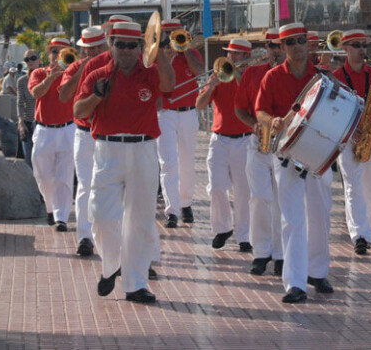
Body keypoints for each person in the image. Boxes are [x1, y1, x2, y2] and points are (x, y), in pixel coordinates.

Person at [75, 21, 175, 304]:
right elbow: (78, 110)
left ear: (141, 47)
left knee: (141, 220)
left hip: (143, 149)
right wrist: (96, 95)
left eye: (133, 45)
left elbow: (169, 85)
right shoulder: (97, 74)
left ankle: (136, 284)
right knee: (101, 215)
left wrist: (161, 49)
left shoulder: (151, 73)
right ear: (111, 44)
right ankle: (112, 265)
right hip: (108, 149)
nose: (127, 51)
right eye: (121, 44)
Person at [255, 22, 334, 304]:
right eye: (290, 42)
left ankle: (318, 272)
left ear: (308, 43)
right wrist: (271, 120)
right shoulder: (273, 77)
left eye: (301, 40)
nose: (297, 46)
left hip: (319, 152)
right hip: (286, 154)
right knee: (292, 220)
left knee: (320, 216)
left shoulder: (324, 77)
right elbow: (260, 110)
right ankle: (295, 283)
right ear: (282, 47)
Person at [234, 28, 285, 277]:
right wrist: (252, 125)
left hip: (286, 146)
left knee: (282, 202)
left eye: (280, 45)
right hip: (259, 144)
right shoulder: (253, 73)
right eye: (272, 45)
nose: (277, 50)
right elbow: (240, 109)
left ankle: (281, 254)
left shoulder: (294, 75)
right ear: (266, 47)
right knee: (259, 198)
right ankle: (261, 252)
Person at [195, 38, 253, 253]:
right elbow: (199, 105)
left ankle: (244, 235)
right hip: (219, 138)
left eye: (236, 54)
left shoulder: (251, 78)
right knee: (217, 187)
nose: (231, 58)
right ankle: (223, 228)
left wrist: (238, 78)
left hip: (245, 139)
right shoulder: (219, 75)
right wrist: (211, 87)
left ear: (247, 57)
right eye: (229, 53)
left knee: (243, 191)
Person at [57, 26, 110, 257]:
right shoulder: (74, 68)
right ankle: (85, 238)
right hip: (84, 132)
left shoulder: (113, 65)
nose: (94, 51)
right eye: (89, 48)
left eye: (98, 46)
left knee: (110, 187)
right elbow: (63, 95)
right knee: (86, 186)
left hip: (109, 134)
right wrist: (83, 70)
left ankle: (108, 237)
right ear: (82, 49)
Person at [335, 29, 371, 256]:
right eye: (357, 45)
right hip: (348, 135)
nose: (362, 50)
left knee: (370, 186)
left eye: (364, 45)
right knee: (353, 185)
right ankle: (359, 236)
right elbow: (333, 110)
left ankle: (367, 231)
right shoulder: (336, 77)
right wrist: (349, 129)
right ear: (345, 49)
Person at [158, 19, 206, 228]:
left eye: (175, 32)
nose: (172, 36)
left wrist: (184, 50)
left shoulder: (191, 52)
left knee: (187, 162)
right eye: (168, 32)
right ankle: (172, 211)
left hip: (187, 112)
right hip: (166, 113)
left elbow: (199, 72)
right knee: (168, 163)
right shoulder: (157, 55)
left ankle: (186, 204)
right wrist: (166, 59)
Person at [28, 37, 75, 231]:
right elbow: (36, 93)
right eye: (54, 51)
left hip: (68, 129)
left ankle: (61, 218)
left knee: (64, 177)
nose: (58, 55)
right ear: (48, 54)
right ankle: (50, 208)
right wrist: (51, 78)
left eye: (62, 51)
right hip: (44, 130)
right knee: (43, 176)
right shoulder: (39, 72)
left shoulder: (73, 74)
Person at [16, 50, 41, 166]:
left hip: (43, 124)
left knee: (43, 161)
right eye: (27, 59)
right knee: (29, 161)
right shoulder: (22, 81)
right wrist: (20, 122)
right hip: (28, 123)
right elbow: (20, 102)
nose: (30, 61)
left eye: (33, 58)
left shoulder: (47, 76)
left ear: (39, 60)